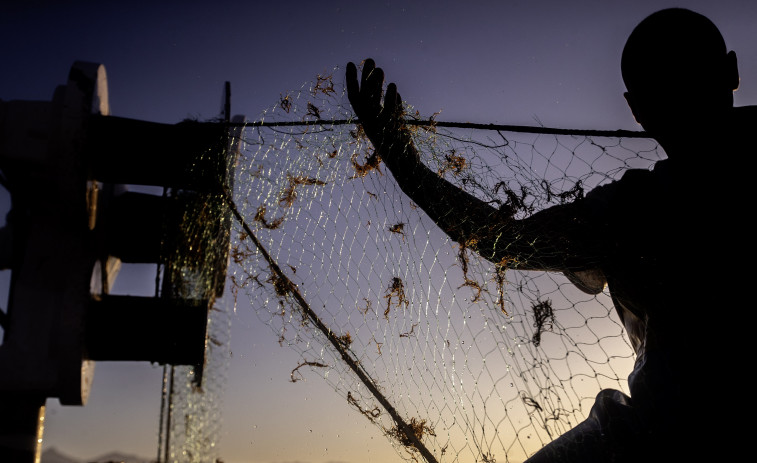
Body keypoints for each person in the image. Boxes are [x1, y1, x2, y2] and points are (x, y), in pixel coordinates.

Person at [346, 8, 755, 463]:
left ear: (636, 109)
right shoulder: (627, 209)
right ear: (733, 71)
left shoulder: (631, 210)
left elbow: (504, 242)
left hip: (670, 439)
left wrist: (402, 160)